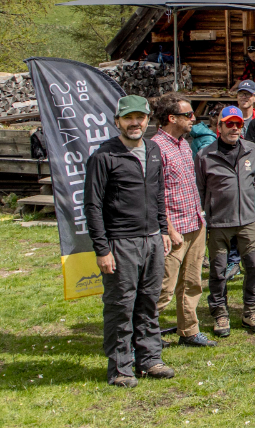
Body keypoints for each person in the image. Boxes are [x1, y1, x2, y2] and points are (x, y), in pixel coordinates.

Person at [84, 95, 174, 387]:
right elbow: (93, 206)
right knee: (121, 305)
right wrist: (102, 249)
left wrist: (163, 230)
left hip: (152, 240)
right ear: (117, 121)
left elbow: (158, 193)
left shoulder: (153, 150)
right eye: (128, 118)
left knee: (148, 301)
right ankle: (120, 368)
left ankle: (149, 359)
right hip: (121, 242)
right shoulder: (104, 156)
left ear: (148, 121)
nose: (134, 123)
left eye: (140, 118)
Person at [197, 105, 255, 338]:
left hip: (247, 220)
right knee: (218, 271)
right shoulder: (205, 155)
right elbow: (200, 190)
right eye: (229, 124)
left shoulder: (251, 150)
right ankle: (220, 313)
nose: (234, 128)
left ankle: (252, 311)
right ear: (219, 127)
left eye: (238, 124)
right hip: (219, 222)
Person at [150, 94, 215, 348]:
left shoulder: (184, 144)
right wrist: (167, 228)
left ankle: (189, 331)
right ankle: (142, 337)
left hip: (195, 223)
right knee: (163, 288)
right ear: (172, 118)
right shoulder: (155, 148)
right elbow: (153, 193)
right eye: (188, 115)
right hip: (174, 229)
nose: (193, 118)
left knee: (192, 283)